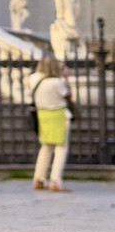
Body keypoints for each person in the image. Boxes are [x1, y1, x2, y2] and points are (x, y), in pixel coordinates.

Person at [29, 54, 75, 193]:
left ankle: (39, 178)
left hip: (43, 114)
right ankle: (55, 180)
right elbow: (68, 96)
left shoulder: (33, 78)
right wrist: (65, 79)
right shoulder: (57, 82)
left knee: (46, 147)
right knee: (61, 148)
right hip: (59, 114)